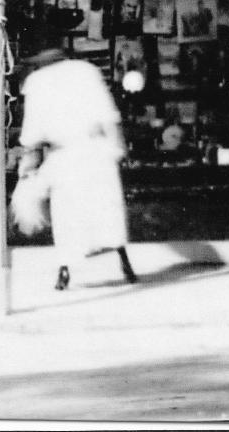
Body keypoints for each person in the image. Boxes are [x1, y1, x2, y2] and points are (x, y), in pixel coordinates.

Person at [16, 31, 138, 291]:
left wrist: (28, 160)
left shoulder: (36, 81)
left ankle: (65, 271)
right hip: (95, 150)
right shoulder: (87, 70)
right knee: (106, 209)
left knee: (68, 215)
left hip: (66, 154)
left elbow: (32, 131)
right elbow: (109, 114)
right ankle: (123, 262)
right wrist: (118, 148)